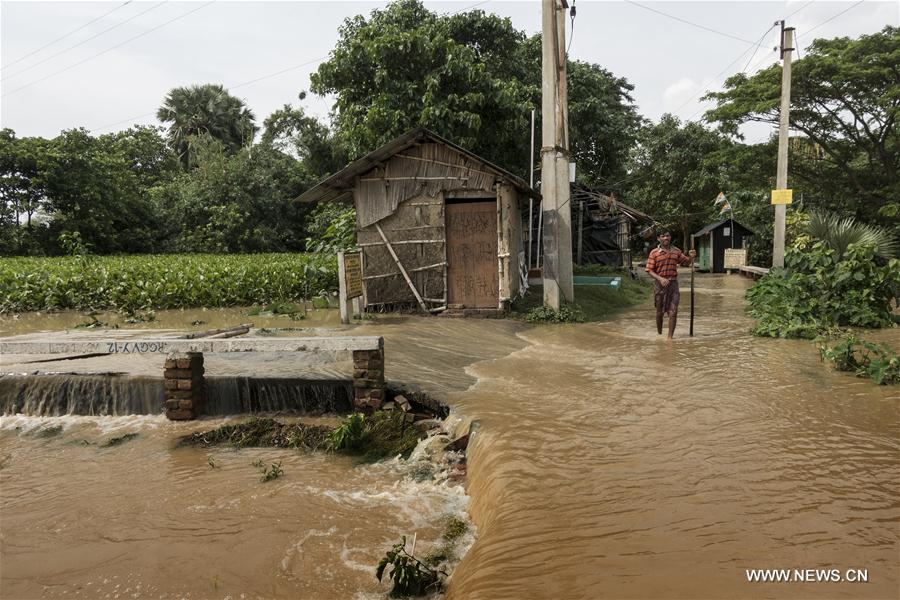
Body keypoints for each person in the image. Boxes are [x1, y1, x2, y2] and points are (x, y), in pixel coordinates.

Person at [645, 231, 696, 339]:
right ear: (659, 238)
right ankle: (659, 334)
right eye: (663, 236)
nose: (665, 238)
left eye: (667, 236)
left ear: (670, 237)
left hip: (673, 284)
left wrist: (691, 257)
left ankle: (670, 339)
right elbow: (649, 270)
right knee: (660, 312)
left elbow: (686, 263)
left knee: (673, 312)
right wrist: (660, 279)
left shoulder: (676, 251)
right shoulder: (654, 253)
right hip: (660, 285)